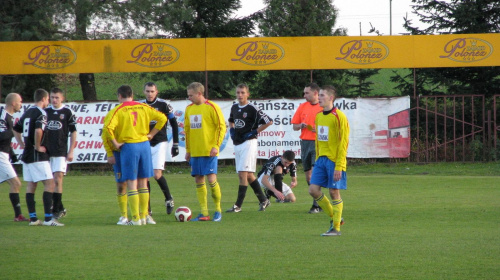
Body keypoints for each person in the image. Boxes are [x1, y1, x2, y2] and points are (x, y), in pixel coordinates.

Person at [102, 85, 167, 226]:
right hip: (144, 145)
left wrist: (116, 143)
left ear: (119, 96)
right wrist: (151, 134)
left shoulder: (117, 110)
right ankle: (144, 217)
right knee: (143, 181)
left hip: (129, 146)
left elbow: (107, 128)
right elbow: (162, 118)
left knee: (131, 182)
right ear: (132, 94)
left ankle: (136, 218)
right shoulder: (143, 107)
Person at [13, 89, 63, 226]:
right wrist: (37, 146)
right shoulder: (41, 113)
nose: (48, 102)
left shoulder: (27, 112)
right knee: (50, 184)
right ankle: (48, 219)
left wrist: (22, 144)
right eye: (48, 99)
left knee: (31, 185)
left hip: (27, 155)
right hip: (37, 155)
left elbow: (16, 129)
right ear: (44, 99)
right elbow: (38, 130)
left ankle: (34, 219)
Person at [308, 85, 349, 236]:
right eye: (319, 95)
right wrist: (318, 158)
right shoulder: (319, 116)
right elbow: (319, 140)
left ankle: (336, 228)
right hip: (321, 160)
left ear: (331, 98)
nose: (319, 98)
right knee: (313, 190)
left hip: (334, 161)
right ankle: (336, 218)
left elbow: (343, 142)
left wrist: (339, 165)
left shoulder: (339, 117)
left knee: (333, 192)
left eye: (323, 96)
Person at [226, 83, 273, 213]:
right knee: (249, 175)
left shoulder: (252, 108)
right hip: (238, 143)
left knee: (242, 174)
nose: (240, 95)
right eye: (238, 92)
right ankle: (264, 200)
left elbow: (269, 121)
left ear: (248, 94)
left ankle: (238, 206)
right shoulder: (235, 107)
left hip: (249, 143)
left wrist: (254, 132)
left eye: (242, 92)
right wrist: (232, 130)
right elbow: (231, 120)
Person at [184, 82, 226, 222]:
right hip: (195, 151)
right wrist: (188, 150)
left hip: (209, 151)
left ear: (199, 93)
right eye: (188, 95)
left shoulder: (212, 107)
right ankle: (204, 213)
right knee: (198, 179)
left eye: (191, 95)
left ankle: (218, 210)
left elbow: (221, 127)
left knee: (211, 179)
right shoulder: (189, 109)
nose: (189, 98)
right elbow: (188, 131)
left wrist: (216, 145)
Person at [139, 82, 179, 223]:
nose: (150, 94)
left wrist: (175, 143)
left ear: (157, 92)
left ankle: (168, 198)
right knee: (145, 177)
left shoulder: (163, 105)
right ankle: (148, 209)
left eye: (152, 91)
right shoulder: (140, 105)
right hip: (144, 142)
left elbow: (174, 124)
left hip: (160, 142)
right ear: (144, 92)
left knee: (157, 174)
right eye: (147, 91)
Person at [291, 83, 324, 213]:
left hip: (317, 143)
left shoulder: (323, 107)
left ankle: (316, 204)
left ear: (315, 93)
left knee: (315, 174)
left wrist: (320, 130)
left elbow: (331, 127)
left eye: (307, 93)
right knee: (308, 176)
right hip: (305, 143)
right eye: (304, 93)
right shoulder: (302, 107)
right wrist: (301, 125)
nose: (304, 95)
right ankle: (319, 200)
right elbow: (294, 126)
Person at [45, 88, 77, 220]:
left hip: (60, 151)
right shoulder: (45, 112)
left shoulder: (67, 112)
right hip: (46, 152)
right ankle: (59, 207)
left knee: (58, 179)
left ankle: (56, 210)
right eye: (52, 97)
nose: (54, 100)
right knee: (49, 181)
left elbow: (73, 132)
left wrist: (71, 151)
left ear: (62, 98)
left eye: (56, 97)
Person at [0, 93, 29, 222]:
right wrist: (15, 131)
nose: (21, 104)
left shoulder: (9, 117)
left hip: (4, 154)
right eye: (20, 101)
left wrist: (11, 153)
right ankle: (18, 215)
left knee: (15, 183)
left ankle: (18, 215)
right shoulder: (3, 115)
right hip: (0, 155)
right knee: (16, 183)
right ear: (13, 103)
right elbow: (1, 136)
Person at [102, 110, 129, 225]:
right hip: (117, 152)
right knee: (121, 183)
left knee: (138, 182)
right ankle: (124, 215)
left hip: (131, 150)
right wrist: (110, 153)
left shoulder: (133, 114)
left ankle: (141, 214)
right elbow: (105, 134)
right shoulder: (112, 115)